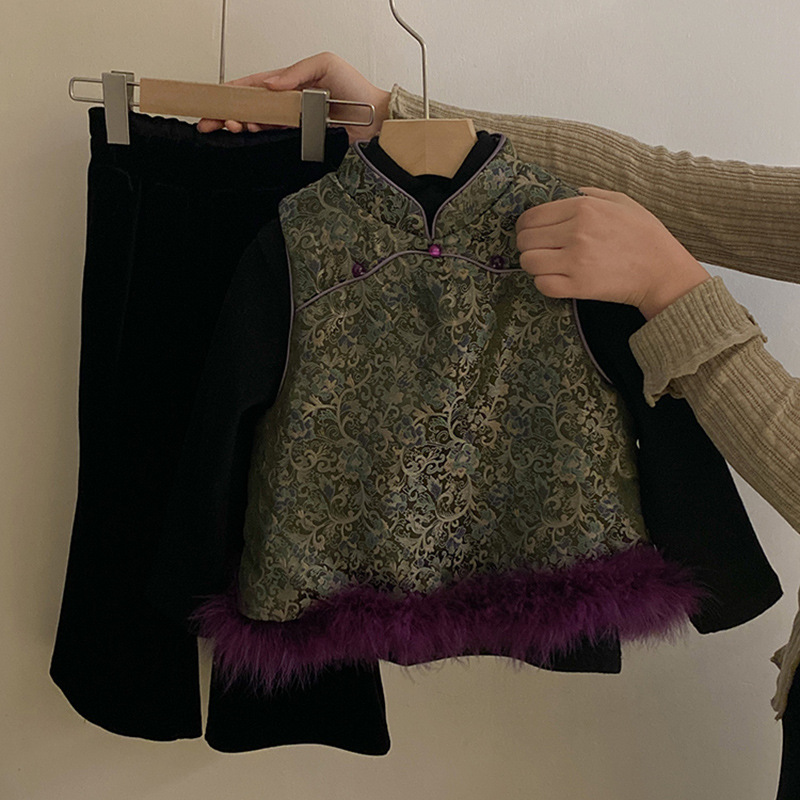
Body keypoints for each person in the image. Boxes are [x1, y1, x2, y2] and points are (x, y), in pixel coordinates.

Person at [197, 51, 800, 716]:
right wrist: (400, 116)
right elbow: (672, 188)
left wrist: (671, 289)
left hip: (358, 577)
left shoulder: (305, 233)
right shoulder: (303, 232)